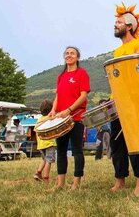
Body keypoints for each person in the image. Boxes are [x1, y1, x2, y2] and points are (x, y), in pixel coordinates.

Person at [109, 2, 139, 196]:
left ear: (130, 26)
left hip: (134, 102)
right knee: (117, 144)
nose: (115, 25)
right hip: (117, 102)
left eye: (119, 22)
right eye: (115, 22)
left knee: (136, 143)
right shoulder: (116, 52)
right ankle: (120, 180)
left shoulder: (138, 46)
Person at [48, 46, 90, 190]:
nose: (69, 55)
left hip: (76, 118)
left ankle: (76, 183)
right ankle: (60, 183)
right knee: (61, 150)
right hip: (60, 120)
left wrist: (69, 110)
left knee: (77, 150)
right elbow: (58, 96)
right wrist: (53, 110)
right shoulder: (61, 76)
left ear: (78, 58)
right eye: (67, 53)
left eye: (72, 53)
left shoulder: (81, 73)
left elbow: (83, 95)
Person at [34, 100, 56, 182]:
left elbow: (35, 129)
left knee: (44, 159)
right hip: (49, 143)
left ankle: (38, 173)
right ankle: (46, 177)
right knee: (49, 161)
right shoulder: (50, 118)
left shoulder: (39, 120)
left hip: (40, 144)